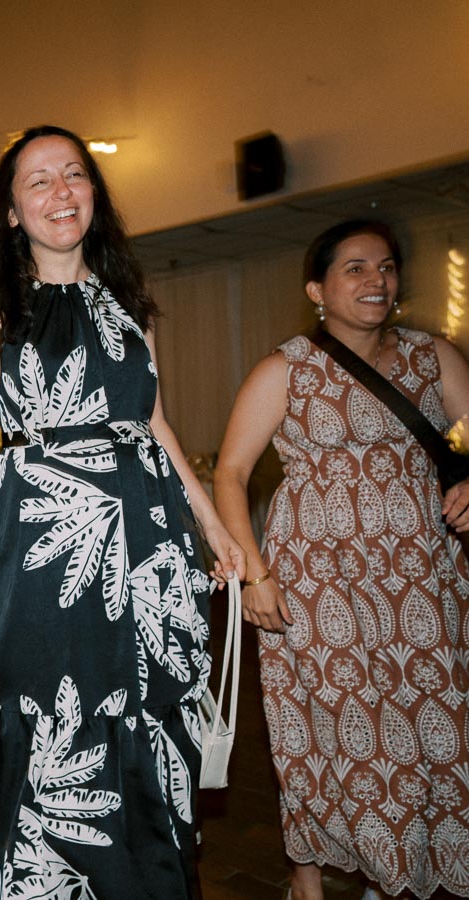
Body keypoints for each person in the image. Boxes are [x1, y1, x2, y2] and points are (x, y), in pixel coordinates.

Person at [0, 124, 244, 898]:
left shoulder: (126, 306)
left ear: (95, 196)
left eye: (73, 175)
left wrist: (212, 525)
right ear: (10, 212)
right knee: (50, 709)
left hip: (146, 543)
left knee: (144, 707)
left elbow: (156, 425)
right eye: (37, 181)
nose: (59, 192)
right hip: (45, 548)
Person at [213, 219, 469, 900]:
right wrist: (254, 576)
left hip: (423, 577)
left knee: (432, 722)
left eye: (385, 267)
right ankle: (308, 872)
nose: (376, 280)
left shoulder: (433, 356)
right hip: (319, 584)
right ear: (316, 289)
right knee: (323, 725)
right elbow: (231, 473)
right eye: (354, 268)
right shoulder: (285, 368)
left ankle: (407, 867)